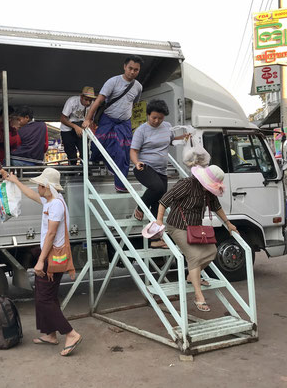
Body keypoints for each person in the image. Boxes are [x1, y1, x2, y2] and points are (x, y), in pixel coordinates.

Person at [6, 168, 82, 356]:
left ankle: (70, 334)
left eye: (40, 185)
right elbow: (31, 195)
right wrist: (16, 181)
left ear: (47, 187)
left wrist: (40, 261)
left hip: (50, 258)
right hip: (49, 255)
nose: (37, 187)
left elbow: (51, 234)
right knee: (47, 296)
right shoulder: (50, 200)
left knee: (44, 298)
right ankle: (50, 334)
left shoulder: (55, 204)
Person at [156, 165, 238, 312]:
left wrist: (228, 223)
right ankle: (198, 295)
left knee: (212, 251)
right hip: (178, 227)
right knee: (194, 256)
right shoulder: (187, 184)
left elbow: (217, 207)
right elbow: (164, 200)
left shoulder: (208, 192)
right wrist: (159, 220)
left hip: (196, 229)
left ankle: (191, 276)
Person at [130, 100, 190, 244]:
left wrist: (183, 138)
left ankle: (155, 238)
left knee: (161, 202)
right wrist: (136, 162)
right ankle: (140, 207)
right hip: (144, 167)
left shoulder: (167, 127)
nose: (157, 121)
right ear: (148, 115)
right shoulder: (141, 130)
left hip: (161, 170)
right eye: (154, 117)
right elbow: (133, 150)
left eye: (160, 118)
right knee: (157, 188)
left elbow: (170, 141)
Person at [82, 56, 144, 192]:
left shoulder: (138, 87)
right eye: (130, 68)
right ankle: (100, 160)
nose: (132, 72)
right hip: (108, 119)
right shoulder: (113, 82)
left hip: (124, 123)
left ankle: (121, 185)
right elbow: (98, 102)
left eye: (136, 70)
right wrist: (88, 119)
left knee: (124, 152)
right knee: (97, 146)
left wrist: (129, 121)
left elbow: (133, 104)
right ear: (124, 67)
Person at [59, 86, 95, 165]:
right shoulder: (72, 101)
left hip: (81, 127)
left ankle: (83, 174)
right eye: (86, 99)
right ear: (81, 97)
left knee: (85, 153)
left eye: (90, 100)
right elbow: (62, 119)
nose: (88, 103)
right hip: (67, 129)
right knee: (72, 155)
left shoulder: (92, 104)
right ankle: (72, 174)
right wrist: (75, 127)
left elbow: (91, 119)